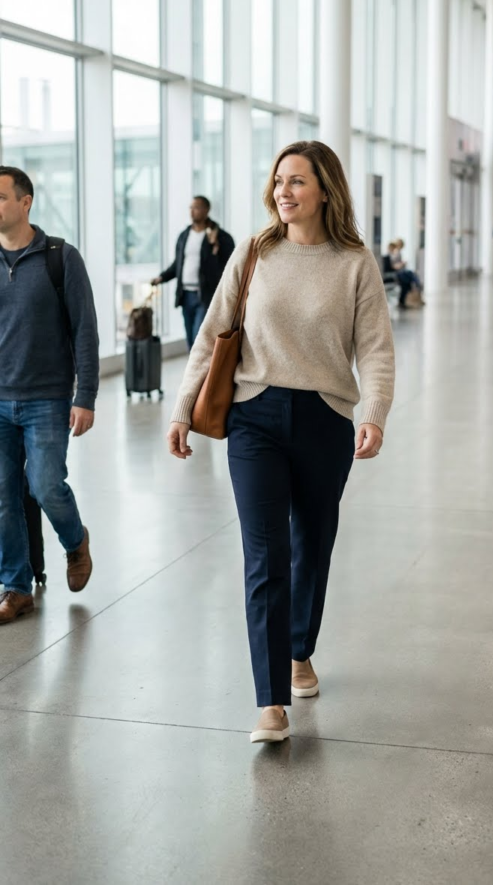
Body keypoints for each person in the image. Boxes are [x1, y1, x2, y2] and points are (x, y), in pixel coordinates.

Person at [166, 141, 395, 745]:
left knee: (312, 545)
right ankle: (270, 702)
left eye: (296, 181)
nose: (283, 192)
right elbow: (214, 330)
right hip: (253, 417)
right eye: (277, 182)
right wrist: (183, 408)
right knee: (265, 556)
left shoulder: (354, 262)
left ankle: (299, 650)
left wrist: (373, 412)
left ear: (325, 189)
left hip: (324, 417)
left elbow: (373, 347)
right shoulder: (254, 250)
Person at [0, 166, 99, 625]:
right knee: (2, 496)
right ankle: (16, 587)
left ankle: (75, 541)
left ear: (25, 202)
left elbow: (85, 332)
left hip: (47, 398)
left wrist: (87, 396)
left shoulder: (61, 257)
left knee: (44, 485)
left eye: (1, 197)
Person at [152, 196, 234, 349]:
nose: (192, 211)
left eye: (196, 207)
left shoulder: (221, 237)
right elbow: (178, 264)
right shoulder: (184, 236)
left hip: (206, 295)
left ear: (206, 210)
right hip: (186, 294)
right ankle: (195, 370)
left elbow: (229, 267)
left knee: (199, 336)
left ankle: (202, 370)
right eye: (191, 207)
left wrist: (215, 249)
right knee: (190, 337)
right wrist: (161, 277)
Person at [388, 238, 423, 308]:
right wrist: (402, 264)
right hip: (397, 273)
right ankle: (417, 285)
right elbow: (394, 266)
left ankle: (415, 288)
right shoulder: (394, 253)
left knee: (408, 279)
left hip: (400, 272)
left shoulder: (396, 253)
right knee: (410, 275)